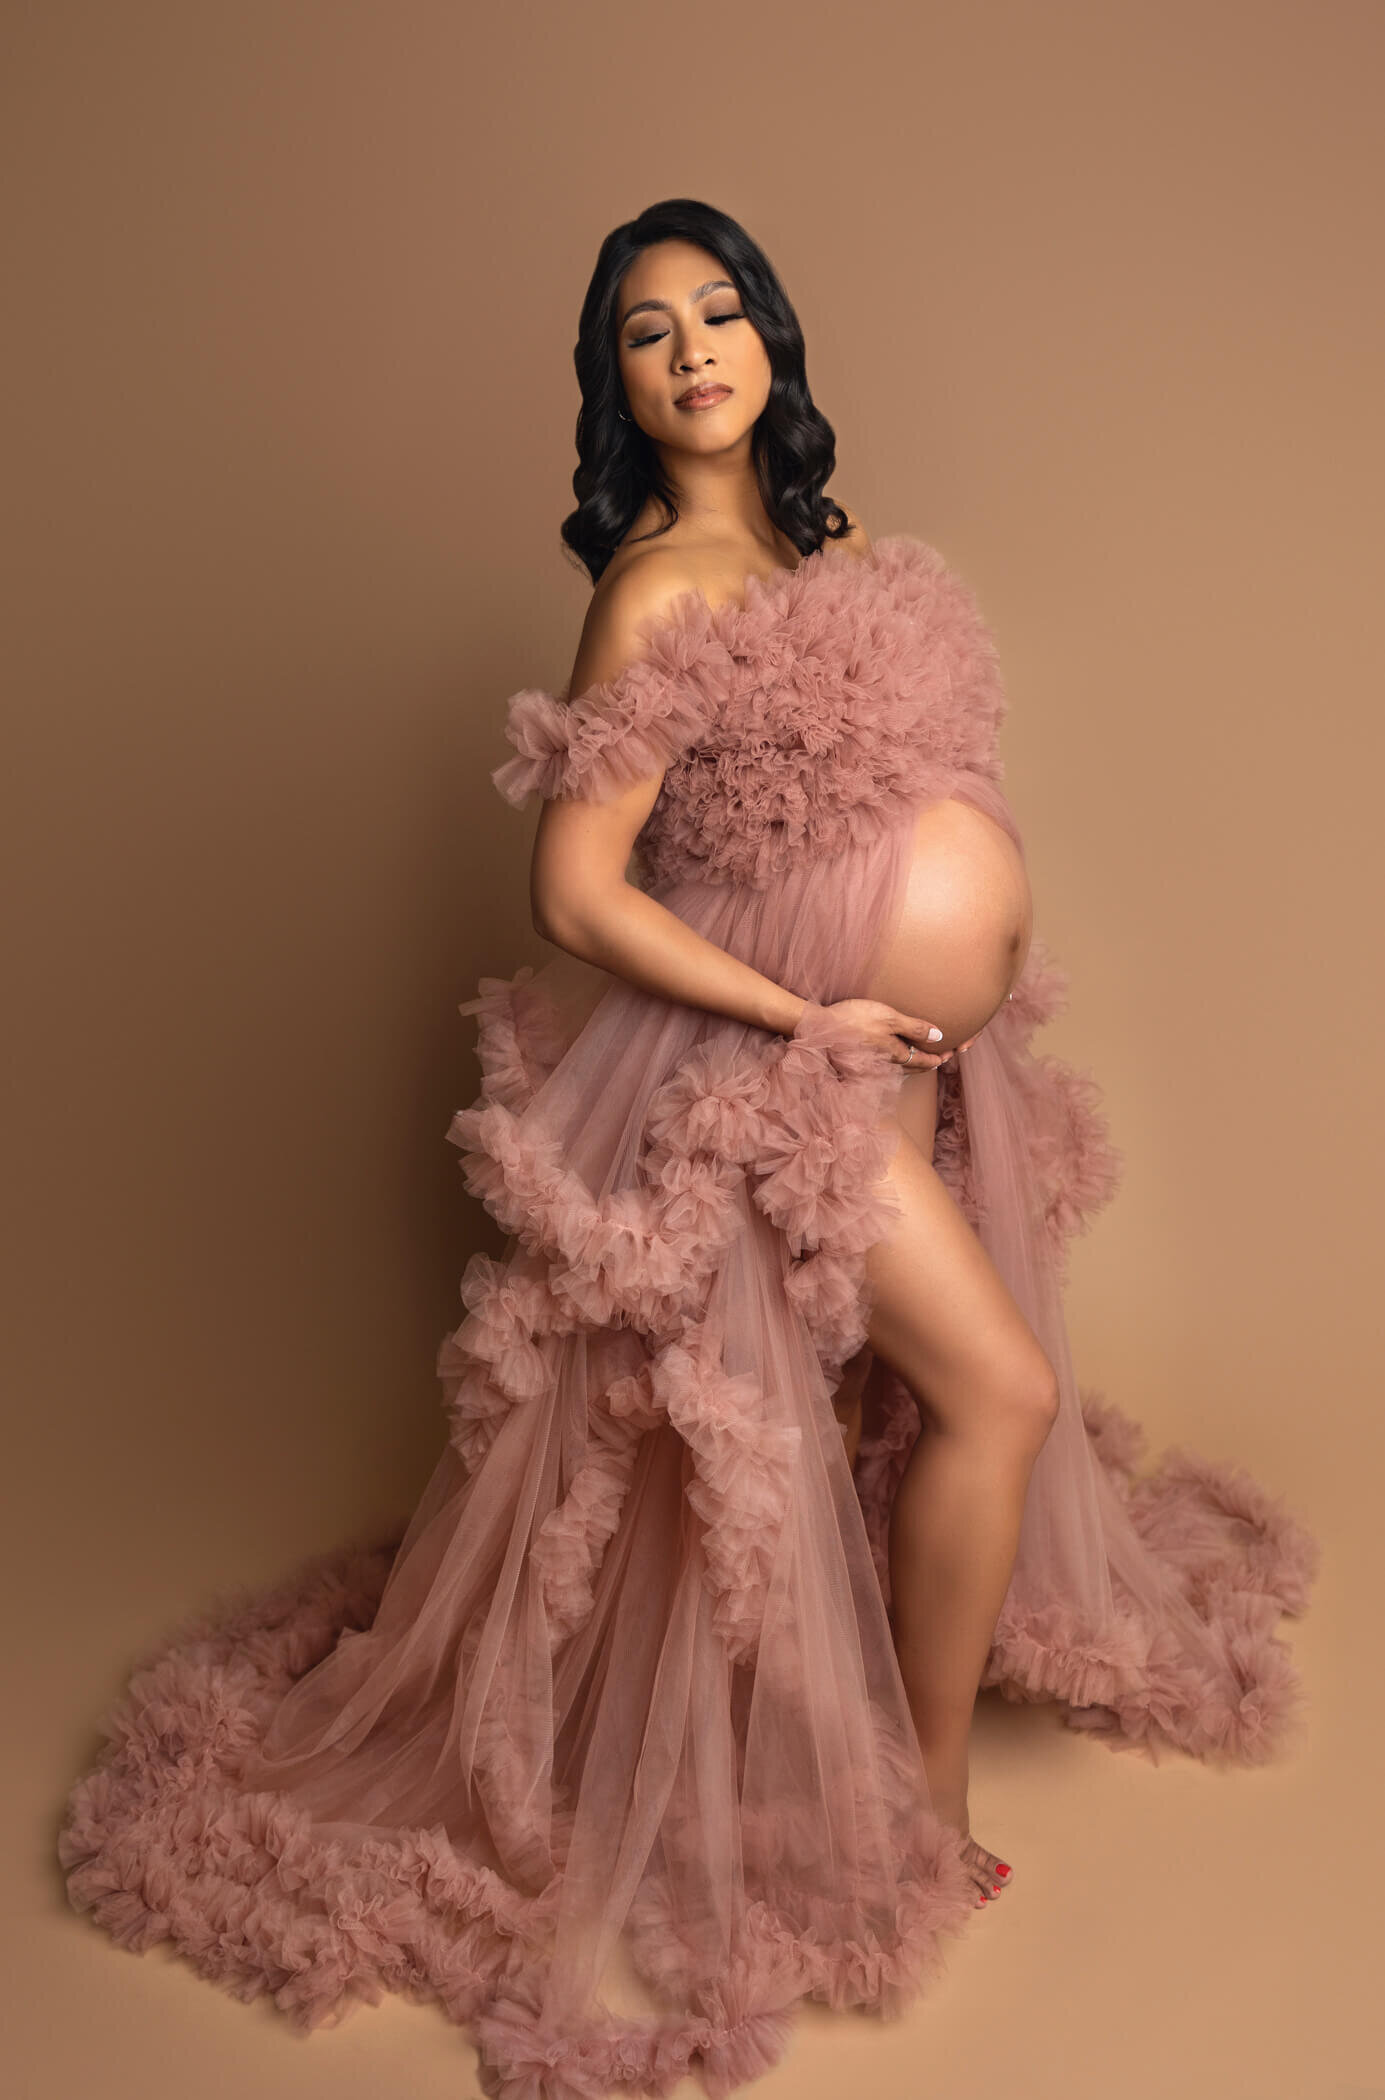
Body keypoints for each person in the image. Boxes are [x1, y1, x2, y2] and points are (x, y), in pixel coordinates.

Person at [58, 198, 1321, 2100]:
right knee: (998, 1391)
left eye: (720, 312)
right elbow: (573, 890)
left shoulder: (824, 544)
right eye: (647, 333)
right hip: (759, 1073)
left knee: (883, 1409)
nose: (695, 351)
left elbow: (867, 809)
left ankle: (874, 1741)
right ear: (614, 387)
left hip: (884, 1061)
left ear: (773, 341)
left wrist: (919, 994)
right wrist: (800, 1018)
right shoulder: (649, 590)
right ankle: (919, 1807)